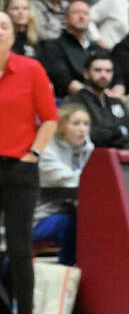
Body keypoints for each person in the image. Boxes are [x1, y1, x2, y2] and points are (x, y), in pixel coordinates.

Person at [0, 9, 58, 314]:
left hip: (20, 168)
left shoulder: (30, 68)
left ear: (13, 34)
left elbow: (50, 118)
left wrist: (32, 154)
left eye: (4, 26)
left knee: (20, 247)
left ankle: (26, 309)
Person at [33, 102, 91, 265]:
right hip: (41, 217)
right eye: (76, 124)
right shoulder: (47, 149)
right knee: (73, 221)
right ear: (62, 126)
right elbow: (65, 179)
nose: (82, 129)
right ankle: (66, 269)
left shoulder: (88, 148)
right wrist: (94, 177)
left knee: (97, 219)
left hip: (73, 211)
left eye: (86, 124)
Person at [64, 51, 129, 149]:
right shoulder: (75, 101)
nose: (103, 75)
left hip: (121, 155)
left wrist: (111, 133)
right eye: (98, 70)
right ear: (86, 73)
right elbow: (91, 134)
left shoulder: (116, 102)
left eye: (108, 71)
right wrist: (118, 131)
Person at [38, 0, 98, 99]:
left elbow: (116, 77)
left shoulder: (97, 48)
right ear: (66, 18)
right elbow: (65, 81)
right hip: (71, 101)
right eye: (76, 13)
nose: (82, 17)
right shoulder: (53, 46)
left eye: (85, 13)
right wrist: (96, 96)